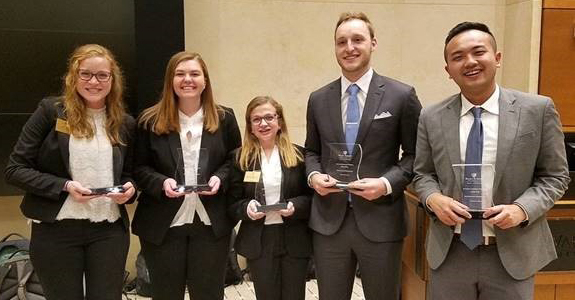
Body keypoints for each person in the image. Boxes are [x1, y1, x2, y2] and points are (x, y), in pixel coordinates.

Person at [413, 21, 570, 300]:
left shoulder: (537, 109)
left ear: (497, 58)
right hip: (451, 251)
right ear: (448, 70)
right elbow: (422, 174)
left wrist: (522, 209)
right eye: (457, 57)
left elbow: (556, 177)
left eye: (478, 52)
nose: (469, 62)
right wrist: (433, 200)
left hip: (513, 253)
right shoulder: (431, 116)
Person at [305, 12, 422, 300]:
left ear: (373, 43)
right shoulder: (318, 99)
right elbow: (311, 151)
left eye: (358, 39)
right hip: (329, 223)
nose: (349, 48)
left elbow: (416, 155)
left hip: (381, 220)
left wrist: (384, 184)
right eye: (341, 41)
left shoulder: (401, 95)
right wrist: (314, 175)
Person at [4, 44, 136, 300]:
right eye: (85, 74)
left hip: (107, 231)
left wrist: (130, 190)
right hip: (56, 231)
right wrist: (64, 186)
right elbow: (15, 169)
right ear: (73, 77)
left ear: (112, 79)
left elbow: (129, 174)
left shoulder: (124, 123)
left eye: (102, 75)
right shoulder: (49, 112)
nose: (93, 81)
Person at [131, 51, 241, 300]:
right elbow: (138, 168)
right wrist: (162, 182)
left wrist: (220, 178)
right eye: (180, 74)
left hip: (210, 223)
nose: (187, 79)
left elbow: (234, 161)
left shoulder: (225, 118)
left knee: (209, 294)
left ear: (205, 80)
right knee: (166, 294)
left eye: (194, 73)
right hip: (164, 223)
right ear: (170, 79)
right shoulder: (149, 120)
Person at [228, 96, 312, 300]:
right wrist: (246, 208)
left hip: (294, 237)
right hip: (259, 239)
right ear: (250, 126)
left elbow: (312, 198)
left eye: (269, 117)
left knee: (294, 296)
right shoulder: (240, 158)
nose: (263, 124)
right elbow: (231, 202)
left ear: (279, 121)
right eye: (256, 119)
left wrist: (295, 206)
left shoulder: (299, 155)